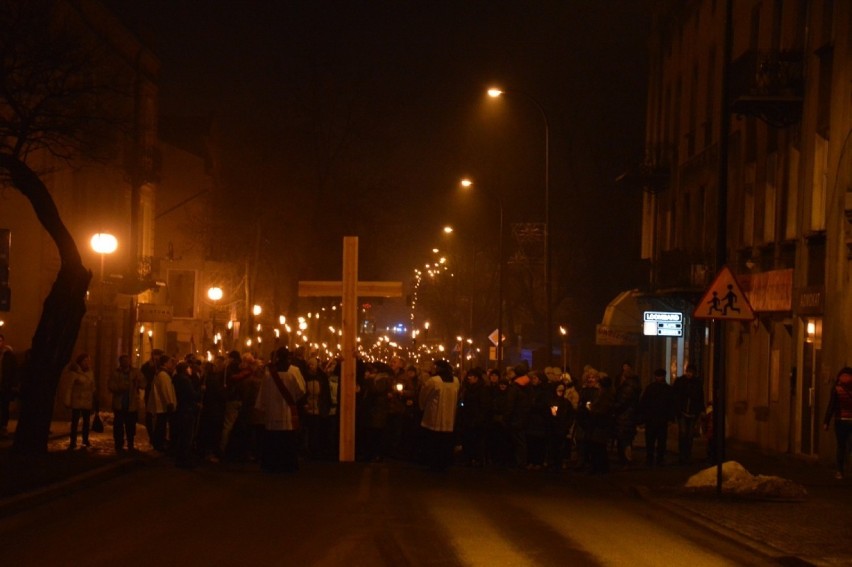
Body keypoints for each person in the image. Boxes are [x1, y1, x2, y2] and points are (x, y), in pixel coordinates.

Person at [255, 346, 306, 473]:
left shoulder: (269, 374)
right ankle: (288, 466)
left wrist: (263, 407)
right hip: (287, 411)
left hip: (272, 412)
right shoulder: (293, 373)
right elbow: (301, 391)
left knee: (273, 440)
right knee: (287, 440)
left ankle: (271, 465)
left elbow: (263, 394)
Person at [419, 359, 460, 471]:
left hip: (435, 415)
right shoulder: (455, 381)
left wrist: (422, 407)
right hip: (449, 416)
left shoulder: (434, 381)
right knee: (446, 441)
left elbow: (424, 395)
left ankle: (433, 462)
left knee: (434, 440)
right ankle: (445, 462)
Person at [637, 368, 675, 467]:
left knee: (654, 439)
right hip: (657, 418)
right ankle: (657, 458)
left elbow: (644, 403)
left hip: (656, 418)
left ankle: (654, 458)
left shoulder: (652, 388)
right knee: (657, 439)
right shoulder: (664, 389)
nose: (659, 378)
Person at [108, 354, 144, 452]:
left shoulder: (135, 372)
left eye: (127, 360)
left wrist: (138, 382)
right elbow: (111, 386)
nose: (126, 362)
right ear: (120, 362)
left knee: (130, 426)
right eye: (123, 361)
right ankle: (118, 444)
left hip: (131, 404)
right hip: (119, 404)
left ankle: (130, 444)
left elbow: (144, 384)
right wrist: (121, 387)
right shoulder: (115, 373)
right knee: (118, 426)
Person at [672, 363, 705, 464]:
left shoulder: (697, 383)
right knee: (683, 433)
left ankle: (687, 454)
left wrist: (701, 410)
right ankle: (682, 454)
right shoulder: (680, 382)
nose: (689, 374)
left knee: (689, 434)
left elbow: (700, 397)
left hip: (692, 412)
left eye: (691, 372)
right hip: (683, 411)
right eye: (688, 371)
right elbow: (676, 396)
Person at [823, 366, 852, 480]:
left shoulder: (837, 388)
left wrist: (826, 421)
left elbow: (832, 405)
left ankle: (840, 471)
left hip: (840, 421)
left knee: (841, 446)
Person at [457, 367, 490, 467]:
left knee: (477, 440)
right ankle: (469, 458)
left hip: (476, 419)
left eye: (471, 376)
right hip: (467, 417)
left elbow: (484, 405)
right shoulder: (467, 388)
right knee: (468, 439)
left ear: (476, 378)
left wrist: (479, 418)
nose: (469, 378)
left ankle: (477, 459)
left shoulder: (482, 389)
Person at [172, 361, 202, 468]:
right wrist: (201, 391)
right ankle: (184, 460)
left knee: (182, 435)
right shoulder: (185, 380)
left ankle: (180, 458)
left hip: (180, 409)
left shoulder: (176, 378)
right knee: (187, 436)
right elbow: (192, 395)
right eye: (189, 368)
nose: (190, 370)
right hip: (186, 409)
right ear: (185, 369)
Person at [63, 353, 95, 449]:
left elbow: (92, 385)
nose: (87, 363)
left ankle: (85, 440)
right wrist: (67, 401)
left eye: (88, 361)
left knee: (86, 422)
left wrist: (94, 394)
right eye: (85, 361)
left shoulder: (90, 372)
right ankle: (73, 441)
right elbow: (69, 388)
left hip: (87, 401)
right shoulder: (74, 373)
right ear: (80, 362)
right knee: (75, 422)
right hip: (77, 400)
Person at [612, 363, 642, 467]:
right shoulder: (632, 385)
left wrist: (614, 407)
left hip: (625, 417)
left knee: (624, 440)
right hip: (628, 416)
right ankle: (626, 460)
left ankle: (626, 461)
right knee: (626, 440)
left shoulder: (628, 387)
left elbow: (622, 402)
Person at [147, 354, 176, 453]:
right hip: (162, 406)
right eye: (170, 362)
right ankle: (158, 444)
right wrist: (170, 402)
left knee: (161, 426)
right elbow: (166, 390)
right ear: (165, 363)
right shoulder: (163, 375)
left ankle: (158, 443)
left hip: (162, 405)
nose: (171, 364)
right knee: (160, 426)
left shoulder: (163, 373)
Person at [0, 333, 19, 437]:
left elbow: (14, 371)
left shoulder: (8, 356)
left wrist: (12, 384)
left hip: (4, 386)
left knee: (4, 406)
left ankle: (3, 426)